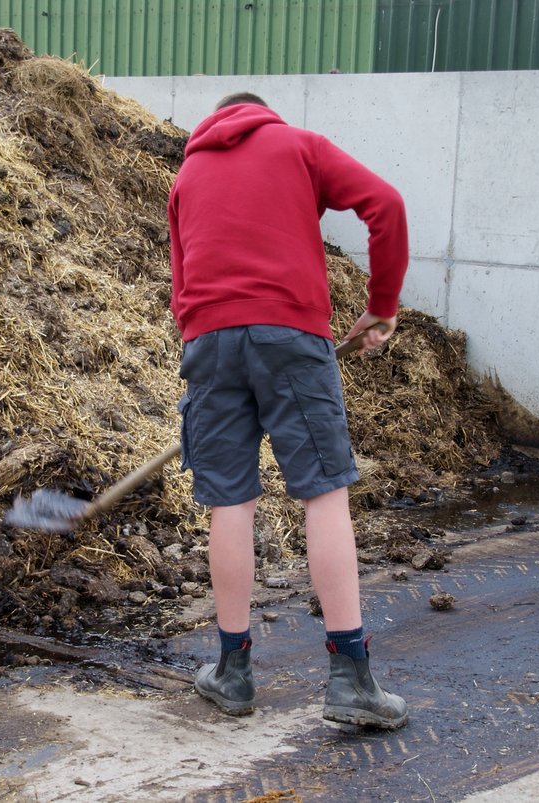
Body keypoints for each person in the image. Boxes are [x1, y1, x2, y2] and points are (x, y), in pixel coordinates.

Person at [167, 92, 410, 728]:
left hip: (208, 341)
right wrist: (382, 304)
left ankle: (232, 672)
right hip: (291, 335)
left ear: (216, 120)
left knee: (229, 501)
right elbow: (385, 205)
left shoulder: (188, 174)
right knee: (323, 492)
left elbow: (181, 284)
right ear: (262, 114)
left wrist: (215, 354)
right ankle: (351, 678)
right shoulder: (300, 146)